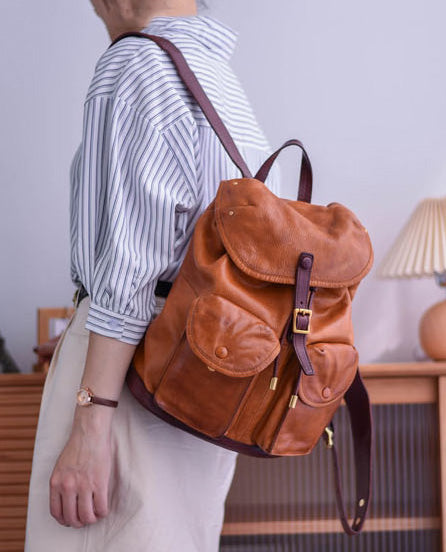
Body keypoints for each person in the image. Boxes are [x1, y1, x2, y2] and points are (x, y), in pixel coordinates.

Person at [25, 1, 280, 551]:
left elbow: (131, 265)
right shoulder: (214, 72)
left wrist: (91, 423)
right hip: (199, 375)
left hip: (127, 380)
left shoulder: (137, 63)